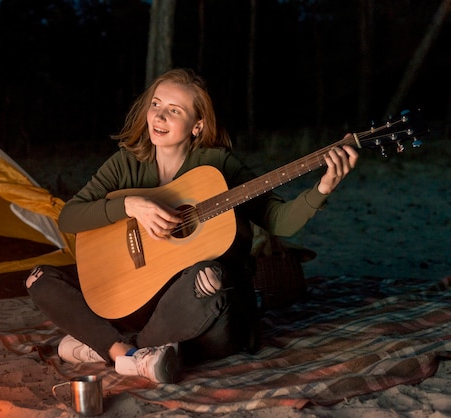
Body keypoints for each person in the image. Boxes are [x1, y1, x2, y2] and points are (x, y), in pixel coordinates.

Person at [25, 68, 358, 384]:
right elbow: (70, 217)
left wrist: (322, 188)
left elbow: (277, 221)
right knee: (40, 278)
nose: (159, 116)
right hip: (134, 302)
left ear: (197, 126)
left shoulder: (217, 165)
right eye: (156, 105)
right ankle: (125, 353)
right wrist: (129, 206)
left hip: (193, 307)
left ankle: (108, 347)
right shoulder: (127, 162)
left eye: (174, 110)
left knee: (208, 277)